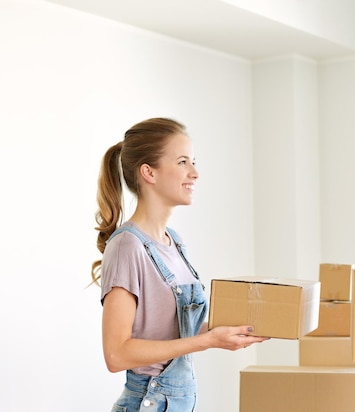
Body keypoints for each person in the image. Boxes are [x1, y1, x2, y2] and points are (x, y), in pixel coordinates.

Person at [91, 117, 268, 412]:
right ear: (149, 172)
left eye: (193, 162)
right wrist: (207, 341)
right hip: (147, 402)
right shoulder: (127, 246)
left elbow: (172, 331)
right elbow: (117, 354)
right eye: (183, 162)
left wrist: (227, 332)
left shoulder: (174, 242)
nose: (195, 173)